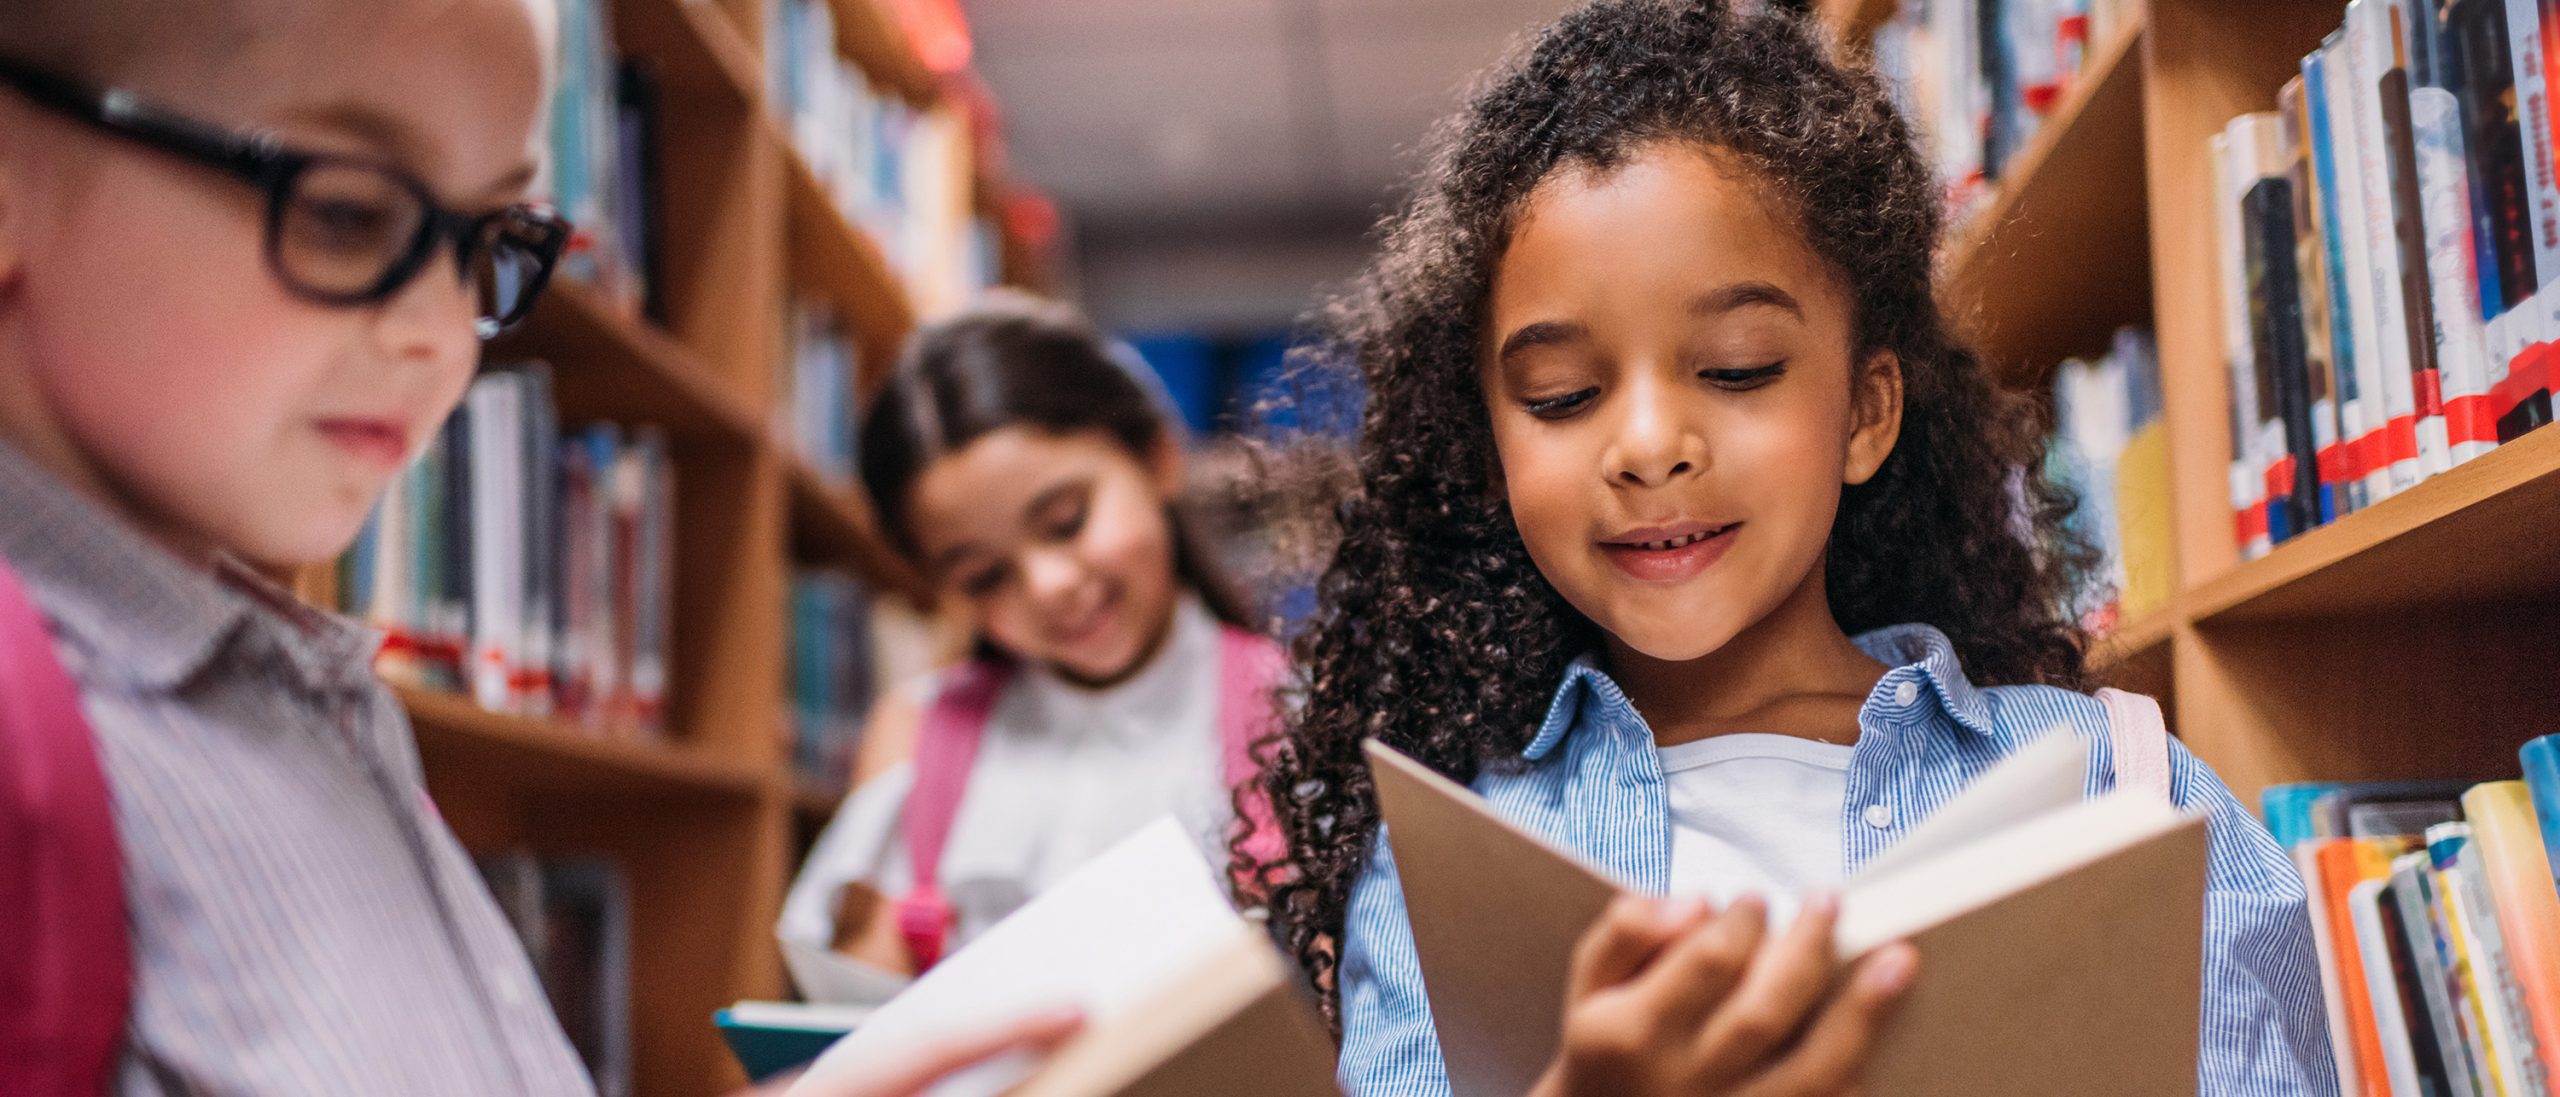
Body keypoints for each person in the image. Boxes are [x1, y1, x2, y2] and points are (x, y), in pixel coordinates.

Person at [1237, 2, 2339, 1095]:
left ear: (1863, 412)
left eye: (1736, 368)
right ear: (1490, 453)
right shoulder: (1450, 869)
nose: (1650, 445)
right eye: (1562, 395)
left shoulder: (2119, 788)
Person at [0, 3, 1069, 1092]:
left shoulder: (298, 692)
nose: (441, 333)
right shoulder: (38, 753)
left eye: (489, 246)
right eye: (344, 213)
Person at [779, 293, 1282, 982]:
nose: (1047, 585)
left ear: (1158, 457)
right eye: (986, 576)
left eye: (1067, 520)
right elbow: (864, 1006)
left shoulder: (1299, 709)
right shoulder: (917, 733)